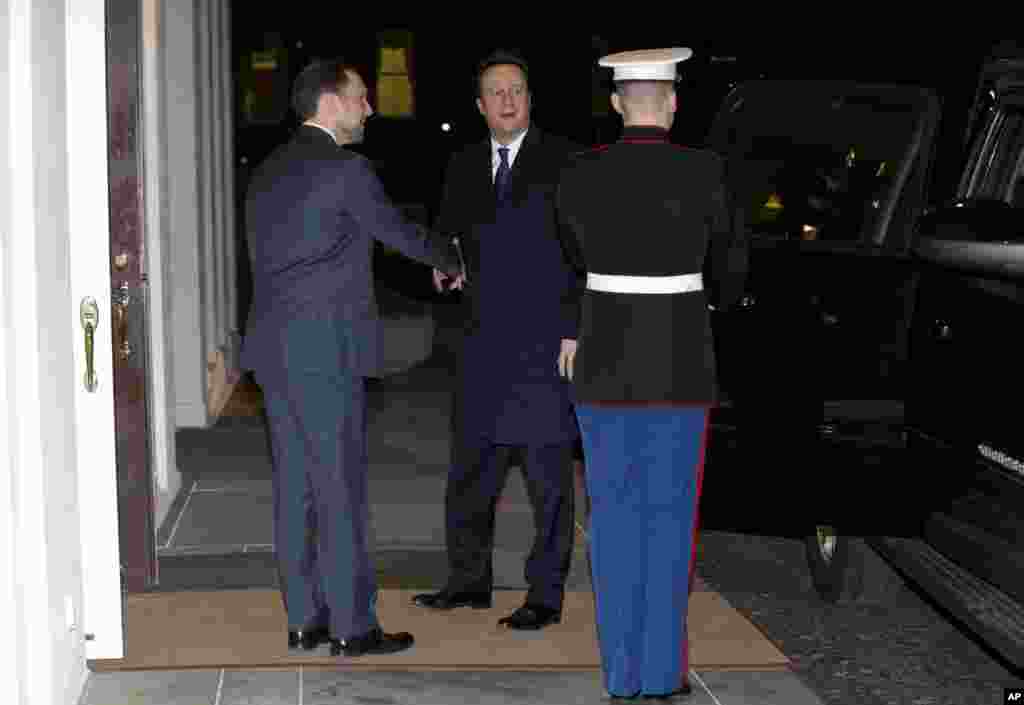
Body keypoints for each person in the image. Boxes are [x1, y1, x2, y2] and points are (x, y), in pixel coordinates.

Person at [239, 59, 464, 658]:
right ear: (330, 104)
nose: (370, 109)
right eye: (361, 98)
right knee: (339, 486)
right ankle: (352, 626)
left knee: (295, 488)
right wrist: (452, 259)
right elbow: (397, 232)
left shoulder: (265, 172)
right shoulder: (346, 170)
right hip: (325, 352)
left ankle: (304, 619)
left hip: (272, 350)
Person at [555, 48, 748, 699]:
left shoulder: (580, 173)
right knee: (669, 523)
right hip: (679, 365)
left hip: (606, 363)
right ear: (671, 102)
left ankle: (622, 674)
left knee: (612, 522)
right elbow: (731, 272)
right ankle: (661, 673)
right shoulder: (706, 170)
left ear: (616, 103)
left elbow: (571, 258)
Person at [411, 49, 584, 631]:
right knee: (470, 474)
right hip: (479, 346)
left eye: (517, 90)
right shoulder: (461, 164)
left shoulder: (567, 162)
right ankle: (467, 583)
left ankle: (545, 594)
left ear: (530, 99)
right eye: (496, 93)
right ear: (480, 106)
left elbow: (588, 253)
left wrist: (575, 327)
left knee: (548, 480)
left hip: (545, 347)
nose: (507, 101)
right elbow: (448, 237)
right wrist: (443, 264)